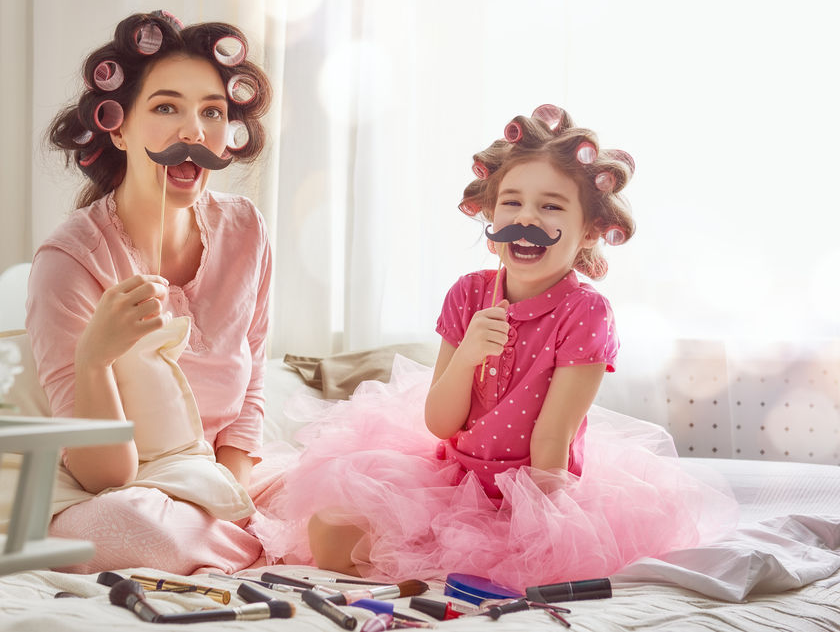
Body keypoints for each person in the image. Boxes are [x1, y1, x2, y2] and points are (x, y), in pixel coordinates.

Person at [254, 105, 736, 590]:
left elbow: (552, 437)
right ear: (491, 215)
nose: (526, 218)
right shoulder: (468, 293)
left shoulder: (586, 312)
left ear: (589, 229)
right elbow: (440, 424)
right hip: (456, 475)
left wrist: (542, 530)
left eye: (551, 206)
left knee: (505, 567)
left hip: (534, 487)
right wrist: (467, 355)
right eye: (511, 203)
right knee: (330, 533)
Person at [26, 10, 273, 574]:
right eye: (166, 107)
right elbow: (103, 476)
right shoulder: (68, 261)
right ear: (118, 127)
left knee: (349, 503)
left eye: (212, 112)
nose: (194, 132)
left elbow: (253, 383)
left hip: (222, 482)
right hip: (125, 489)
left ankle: (239, 538)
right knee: (132, 530)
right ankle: (257, 546)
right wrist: (94, 360)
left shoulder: (247, 229)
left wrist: (233, 497)